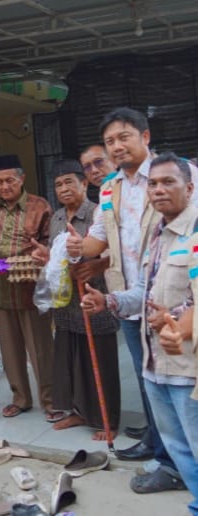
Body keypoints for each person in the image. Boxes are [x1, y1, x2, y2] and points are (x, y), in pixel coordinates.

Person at [65, 108, 184, 495]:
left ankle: (176, 460)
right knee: (150, 381)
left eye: (124, 137)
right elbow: (98, 237)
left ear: (145, 137)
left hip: (175, 300)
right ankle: (160, 448)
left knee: (180, 385)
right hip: (130, 297)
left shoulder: (174, 172)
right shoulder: (111, 187)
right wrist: (71, 249)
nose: (117, 146)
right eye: (111, 141)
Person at [81, 152, 196, 512]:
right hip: (154, 366)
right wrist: (110, 301)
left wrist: (178, 322)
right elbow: (145, 294)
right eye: (154, 184)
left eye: (168, 183)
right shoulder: (158, 235)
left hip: (186, 369)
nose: (159, 190)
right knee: (177, 448)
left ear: (190, 188)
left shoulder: (195, 235)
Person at [34, 159, 120, 440]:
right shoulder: (57, 217)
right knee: (71, 358)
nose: (63, 188)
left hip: (93, 297)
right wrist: (46, 257)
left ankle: (108, 421)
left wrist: (96, 264)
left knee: (100, 360)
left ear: (84, 183)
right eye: (58, 184)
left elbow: (115, 255)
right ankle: (79, 411)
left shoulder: (98, 214)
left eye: (70, 181)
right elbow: (56, 254)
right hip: (66, 301)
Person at [0, 155, 55, 421]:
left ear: (21, 179)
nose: (4, 186)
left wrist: (43, 252)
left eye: (9, 180)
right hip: (0, 289)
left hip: (32, 289)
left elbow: (52, 243)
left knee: (41, 349)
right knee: (10, 350)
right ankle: (20, 398)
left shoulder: (40, 206)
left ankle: (50, 400)